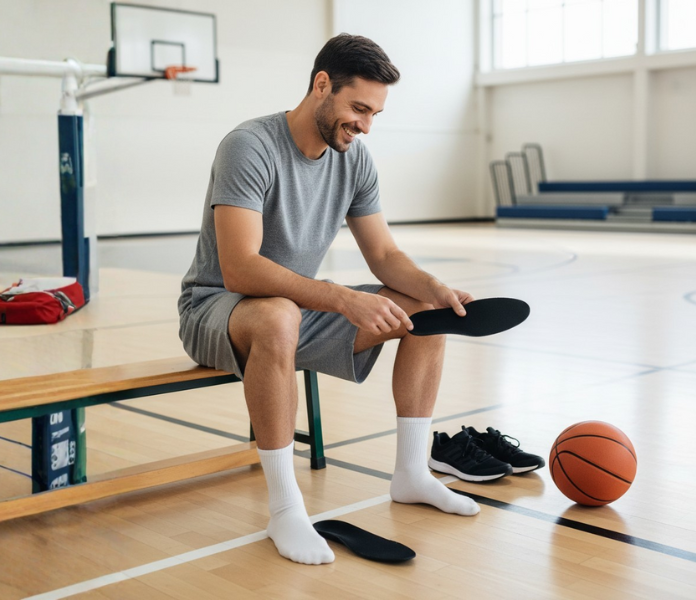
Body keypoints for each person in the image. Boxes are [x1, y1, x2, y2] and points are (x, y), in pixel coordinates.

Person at [177, 34, 478, 565]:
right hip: (216, 309)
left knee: (426, 311)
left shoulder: (355, 160)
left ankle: (411, 473)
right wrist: (341, 299)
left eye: (374, 113)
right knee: (276, 316)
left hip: (295, 313)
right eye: (359, 107)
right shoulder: (249, 146)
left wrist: (432, 287)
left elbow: (383, 254)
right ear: (322, 85)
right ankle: (285, 509)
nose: (365, 124)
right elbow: (239, 267)